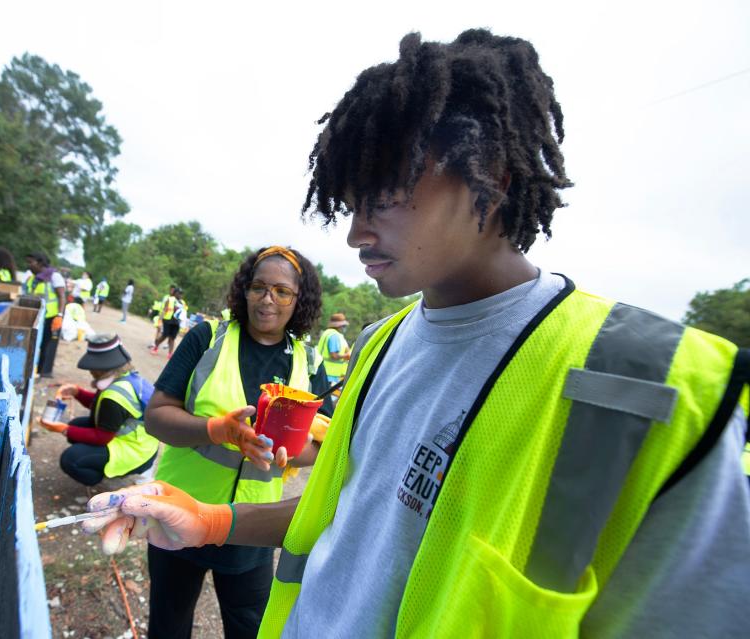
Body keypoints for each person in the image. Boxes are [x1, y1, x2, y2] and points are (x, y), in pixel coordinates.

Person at [83, 30, 750, 638]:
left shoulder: (647, 390)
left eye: (386, 196)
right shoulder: (382, 344)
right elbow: (351, 516)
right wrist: (208, 520)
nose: (355, 232)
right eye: (351, 203)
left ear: (493, 180)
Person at [104, 246, 333, 639]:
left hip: (250, 527)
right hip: (179, 509)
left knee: (248, 627)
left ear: (299, 300)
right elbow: (157, 416)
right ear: (243, 290)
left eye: (282, 291)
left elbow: (320, 445)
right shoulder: (207, 339)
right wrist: (217, 430)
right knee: (169, 624)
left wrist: (290, 451)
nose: (267, 299)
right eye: (258, 287)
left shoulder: (309, 363)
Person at [40, 334, 159, 488]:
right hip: (144, 442)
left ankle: (103, 476)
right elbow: (102, 408)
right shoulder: (123, 377)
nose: (90, 370)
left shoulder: (114, 396)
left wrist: (64, 430)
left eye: (93, 367)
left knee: (70, 459)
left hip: (136, 450)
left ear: (102, 367)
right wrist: (77, 392)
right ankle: (100, 462)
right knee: (78, 425)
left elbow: (102, 436)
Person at [24, 252, 67, 378]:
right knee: (35, 343)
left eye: (31, 262)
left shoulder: (54, 276)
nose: (29, 266)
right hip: (36, 316)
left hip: (51, 317)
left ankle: (44, 372)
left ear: (40, 263)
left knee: (47, 345)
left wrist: (60, 315)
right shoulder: (33, 278)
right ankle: (34, 370)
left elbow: (62, 297)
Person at [314, 313, 351, 386]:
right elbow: (333, 355)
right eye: (344, 326)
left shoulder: (327, 333)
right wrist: (345, 356)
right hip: (329, 373)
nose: (344, 328)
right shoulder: (334, 336)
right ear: (339, 326)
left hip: (322, 370)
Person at [149, 285, 180, 357]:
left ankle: (170, 354)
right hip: (167, 321)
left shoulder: (181, 302)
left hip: (175, 322)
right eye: (179, 293)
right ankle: (156, 346)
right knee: (164, 335)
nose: (180, 295)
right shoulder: (169, 299)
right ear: (175, 293)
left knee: (172, 338)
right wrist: (160, 320)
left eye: (181, 294)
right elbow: (164, 310)